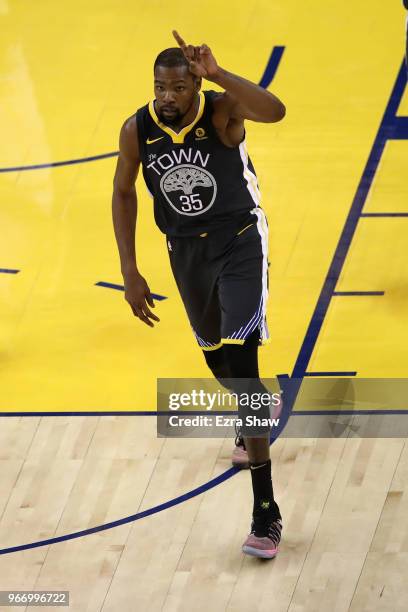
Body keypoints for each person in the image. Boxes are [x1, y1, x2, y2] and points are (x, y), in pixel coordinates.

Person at [112, 30, 286, 559]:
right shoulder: (137, 129)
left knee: (241, 359)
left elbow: (274, 110)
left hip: (238, 242)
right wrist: (130, 269)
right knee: (221, 367)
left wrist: (218, 73)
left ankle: (266, 511)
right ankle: (252, 405)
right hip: (185, 253)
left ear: (193, 85)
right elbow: (122, 192)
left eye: (177, 88)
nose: (167, 97)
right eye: (160, 88)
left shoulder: (219, 112)